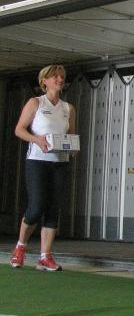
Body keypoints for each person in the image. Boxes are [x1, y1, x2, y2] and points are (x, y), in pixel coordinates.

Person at [10, 64, 76, 271]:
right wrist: (37, 140)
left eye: (62, 76)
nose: (59, 79)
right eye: (54, 76)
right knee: (36, 207)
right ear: (44, 81)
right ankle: (20, 247)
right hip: (37, 162)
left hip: (60, 163)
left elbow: (71, 135)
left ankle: (45, 257)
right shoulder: (36, 103)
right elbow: (19, 130)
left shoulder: (68, 108)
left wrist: (73, 147)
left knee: (53, 209)